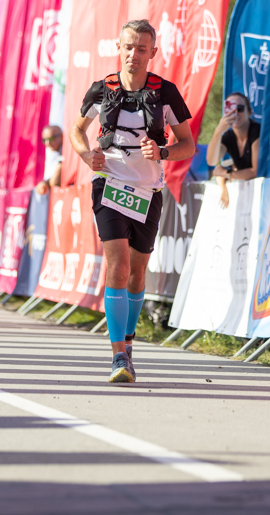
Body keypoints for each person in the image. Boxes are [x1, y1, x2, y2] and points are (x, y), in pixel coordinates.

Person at [70, 19, 195, 383]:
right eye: (128, 47)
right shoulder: (102, 89)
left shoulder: (166, 93)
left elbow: (188, 144)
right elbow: (77, 130)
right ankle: (118, 357)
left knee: (138, 272)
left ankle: (127, 340)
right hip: (108, 185)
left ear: (152, 52)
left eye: (141, 49)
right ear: (118, 48)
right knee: (119, 266)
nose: (133, 55)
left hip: (147, 192)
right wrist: (86, 155)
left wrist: (163, 151)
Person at [205, 92, 260, 209]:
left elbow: (255, 171)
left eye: (239, 109)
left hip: (266, 193)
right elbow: (212, 161)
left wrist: (228, 174)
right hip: (249, 195)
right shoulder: (228, 136)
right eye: (229, 109)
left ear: (249, 112)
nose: (234, 113)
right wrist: (218, 131)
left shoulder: (257, 131)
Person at [35, 125, 63, 195]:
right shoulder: (58, 154)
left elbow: (55, 182)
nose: (47, 143)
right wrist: (45, 182)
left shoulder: (67, 151)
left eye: (51, 139)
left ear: (62, 136)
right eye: (44, 140)